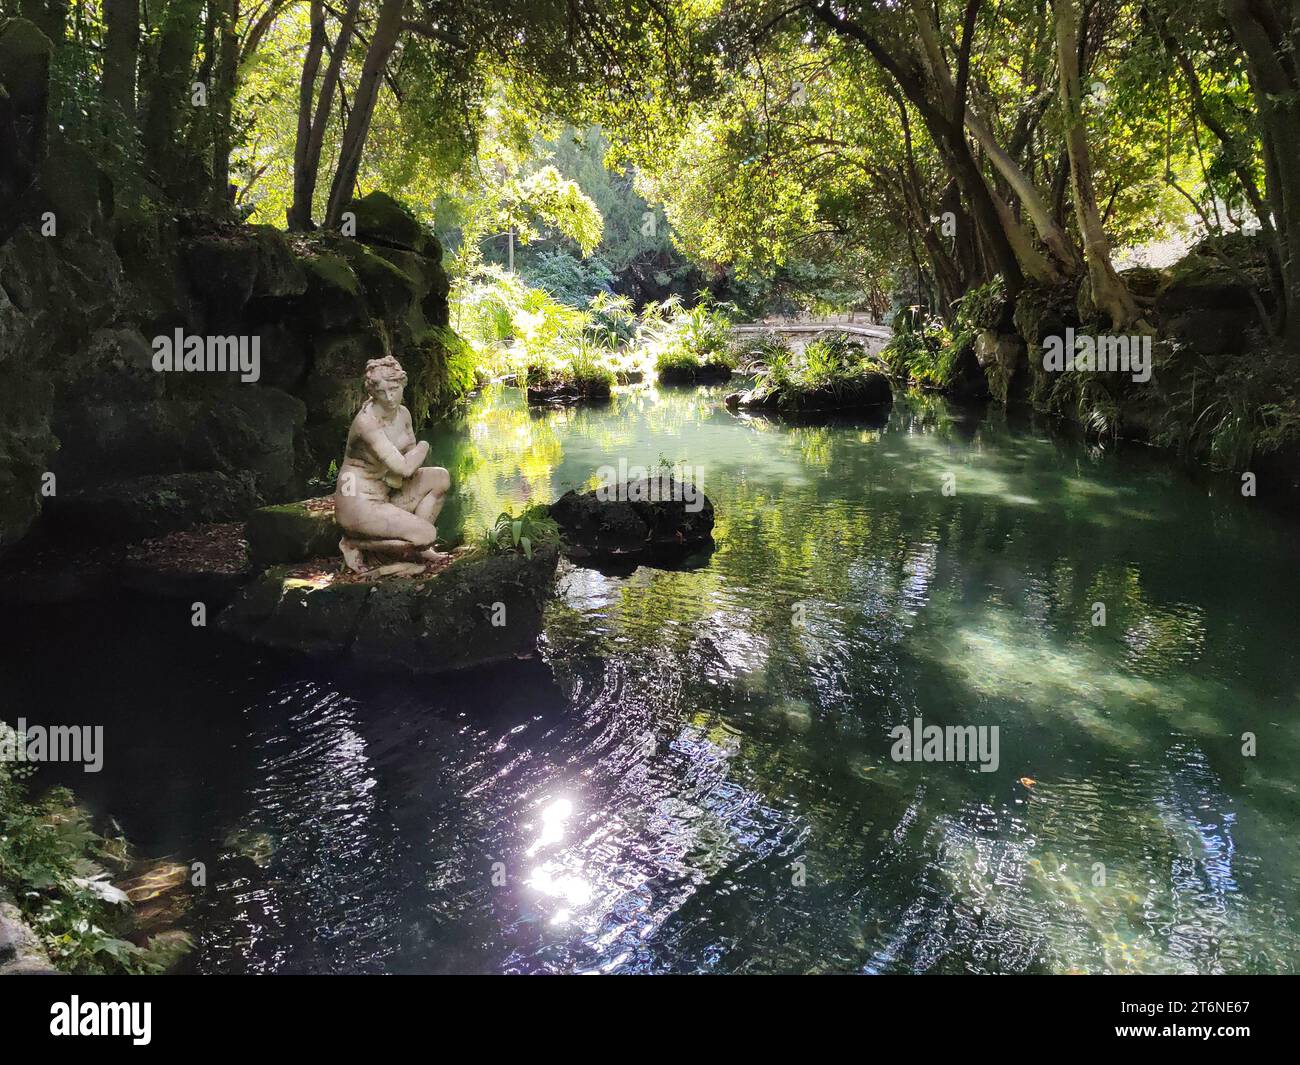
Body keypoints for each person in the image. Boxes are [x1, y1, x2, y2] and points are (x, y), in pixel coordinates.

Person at [333, 355, 450, 573]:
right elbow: (405, 466)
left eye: (394, 389)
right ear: (372, 393)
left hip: (386, 490)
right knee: (427, 534)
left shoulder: (403, 414)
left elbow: (408, 464)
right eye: (381, 393)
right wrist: (424, 446)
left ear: (402, 384)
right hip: (358, 501)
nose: (389, 398)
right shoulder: (366, 422)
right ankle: (355, 543)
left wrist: (413, 456)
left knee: (440, 477)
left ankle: (418, 546)